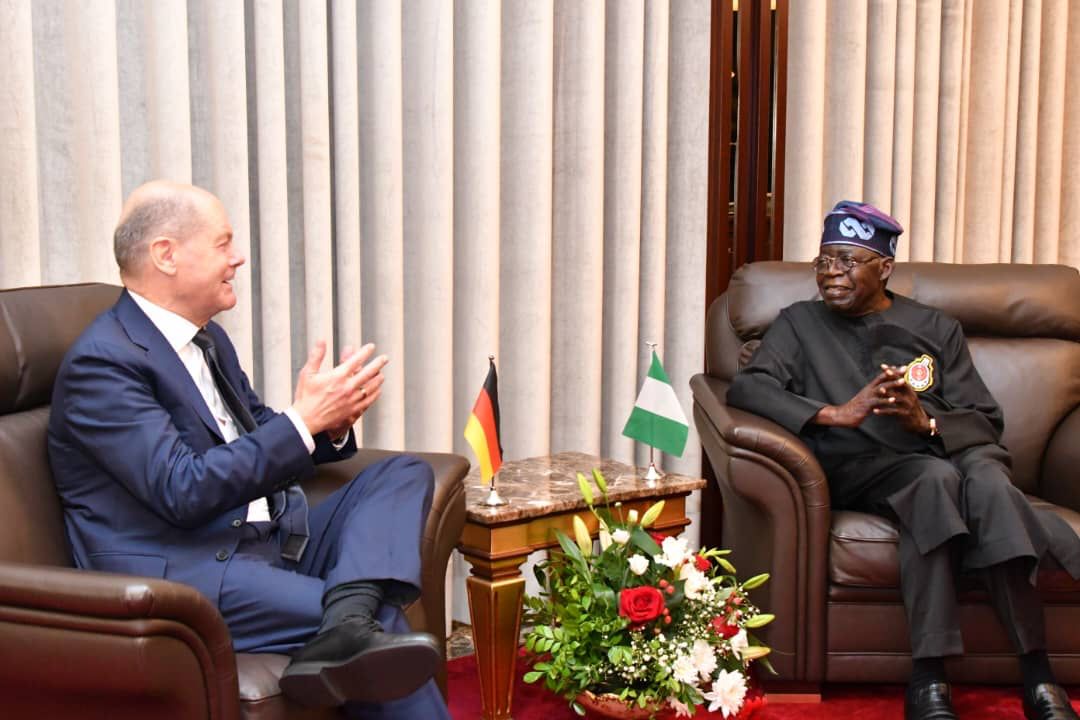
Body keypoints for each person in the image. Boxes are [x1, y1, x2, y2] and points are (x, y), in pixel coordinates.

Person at [48, 180, 450, 719]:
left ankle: (346, 623)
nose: (237, 258)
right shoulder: (103, 365)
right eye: (223, 243)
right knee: (380, 623)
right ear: (166, 255)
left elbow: (256, 427)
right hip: (189, 573)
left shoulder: (205, 338)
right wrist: (301, 421)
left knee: (403, 473)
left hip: (267, 541)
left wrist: (327, 426)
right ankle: (352, 626)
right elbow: (184, 489)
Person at [726, 200, 1080, 720]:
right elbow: (749, 387)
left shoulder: (935, 327)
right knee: (936, 480)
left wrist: (926, 423)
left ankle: (1023, 671)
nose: (830, 275)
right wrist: (834, 412)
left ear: (884, 268)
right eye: (823, 261)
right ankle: (950, 672)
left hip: (949, 453)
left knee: (988, 486)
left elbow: (984, 417)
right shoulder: (798, 324)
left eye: (848, 261)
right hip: (868, 464)